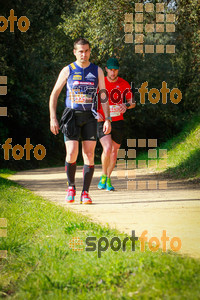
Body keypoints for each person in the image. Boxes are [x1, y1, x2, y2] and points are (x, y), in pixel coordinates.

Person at [49, 38, 111, 204]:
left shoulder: (97, 70)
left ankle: (85, 193)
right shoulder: (67, 70)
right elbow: (54, 94)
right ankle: (71, 187)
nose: (84, 54)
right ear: (75, 52)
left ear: (90, 51)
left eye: (86, 51)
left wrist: (107, 119)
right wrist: (53, 118)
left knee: (89, 155)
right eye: (80, 51)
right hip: (71, 116)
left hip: (90, 116)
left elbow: (103, 95)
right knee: (71, 153)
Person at [97, 57, 135, 191]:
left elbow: (132, 102)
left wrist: (126, 105)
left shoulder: (124, 84)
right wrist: (96, 113)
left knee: (114, 152)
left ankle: (108, 178)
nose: (113, 73)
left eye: (115, 70)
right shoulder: (100, 83)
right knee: (107, 148)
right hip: (102, 121)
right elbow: (92, 101)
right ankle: (103, 175)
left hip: (118, 121)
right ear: (106, 69)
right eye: (110, 70)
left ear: (118, 70)